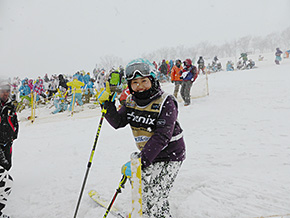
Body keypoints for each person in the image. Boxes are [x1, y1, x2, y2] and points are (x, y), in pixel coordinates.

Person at [97, 58, 186, 218]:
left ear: (152, 79)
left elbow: (162, 135)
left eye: (144, 81)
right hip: (148, 154)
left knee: (157, 195)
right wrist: (106, 105)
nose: (140, 86)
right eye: (135, 82)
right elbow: (118, 122)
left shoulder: (166, 102)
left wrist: (141, 161)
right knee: (141, 191)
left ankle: (160, 215)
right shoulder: (131, 102)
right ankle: (144, 212)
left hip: (170, 155)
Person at [0, 81, 19, 218]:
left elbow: (15, 121)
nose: (5, 93)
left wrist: (14, 135)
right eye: (2, 91)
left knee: (8, 165)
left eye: (7, 91)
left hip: (8, 141)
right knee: (3, 167)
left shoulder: (10, 106)